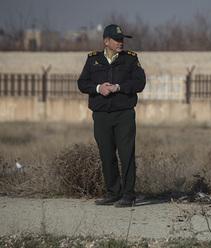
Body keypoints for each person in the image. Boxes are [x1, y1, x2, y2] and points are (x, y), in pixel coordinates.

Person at [77, 24, 146, 207]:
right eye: (117, 39)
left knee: (126, 154)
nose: (121, 42)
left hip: (124, 115)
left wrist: (119, 87)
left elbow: (140, 83)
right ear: (106, 41)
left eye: (122, 39)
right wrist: (99, 88)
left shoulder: (131, 59)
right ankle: (112, 192)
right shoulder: (93, 59)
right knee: (106, 154)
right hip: (101, 116)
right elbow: (82, 84)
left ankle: (128, 194)